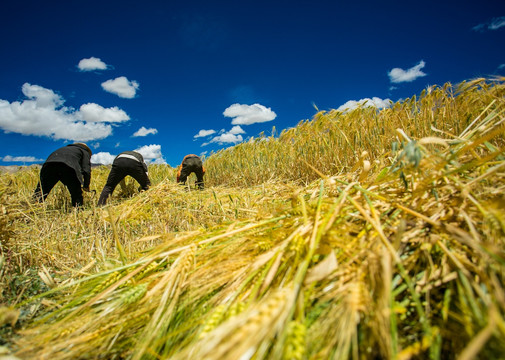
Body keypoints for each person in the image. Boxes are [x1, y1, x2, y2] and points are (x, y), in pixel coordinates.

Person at [33, 143, 92, 207]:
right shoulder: (84, 151)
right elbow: (86, 170)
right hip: (68, 167)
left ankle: (32, 208)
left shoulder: (63, 149)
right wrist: (86, 185)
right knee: (76, 194)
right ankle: (78, 211)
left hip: (48, 166)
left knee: (41, 192)